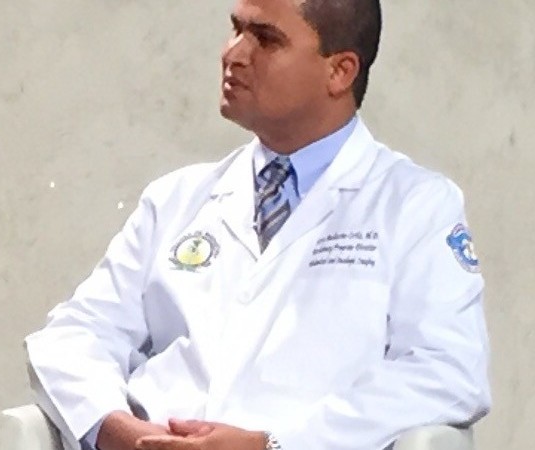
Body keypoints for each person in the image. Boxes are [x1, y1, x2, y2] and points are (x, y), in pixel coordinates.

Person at [25, 0, 491, 449]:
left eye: (265, 39)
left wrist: (273, 446)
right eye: (236, 28)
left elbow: (446, 372)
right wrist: (117, 432)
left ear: (339, 71)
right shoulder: (175, 200)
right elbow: (75, 335)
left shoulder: (414, 205)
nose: (233, 54)